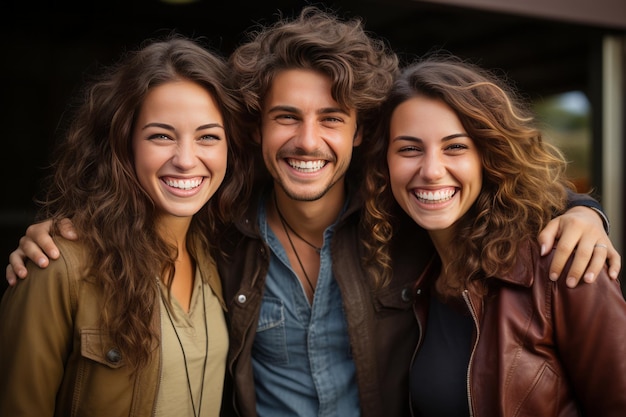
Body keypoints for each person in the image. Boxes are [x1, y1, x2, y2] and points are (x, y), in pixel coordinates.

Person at [3, 7, 621, 417]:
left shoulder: (405, 223)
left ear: (360, 133)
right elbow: (148, 209)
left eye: (331, 119)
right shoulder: (221, 231)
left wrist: (581, 209)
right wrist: (61, 234)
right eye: (286, 118)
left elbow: (477, 189)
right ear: (256, 131)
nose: (307, 140)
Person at [0, 35, 252, 417]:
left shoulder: (221, 254)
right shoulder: (58, 267)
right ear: (124, 143)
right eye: (161, 136)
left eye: (208, 137)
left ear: (229, 148)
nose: (186, 160)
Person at [362, 55, 626, 416]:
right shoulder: (406, 267)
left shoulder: (564, 263)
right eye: (409, 149)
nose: (431, 170)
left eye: (455, 147)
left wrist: (587, 211)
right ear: (384, 162)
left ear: (490, 156)